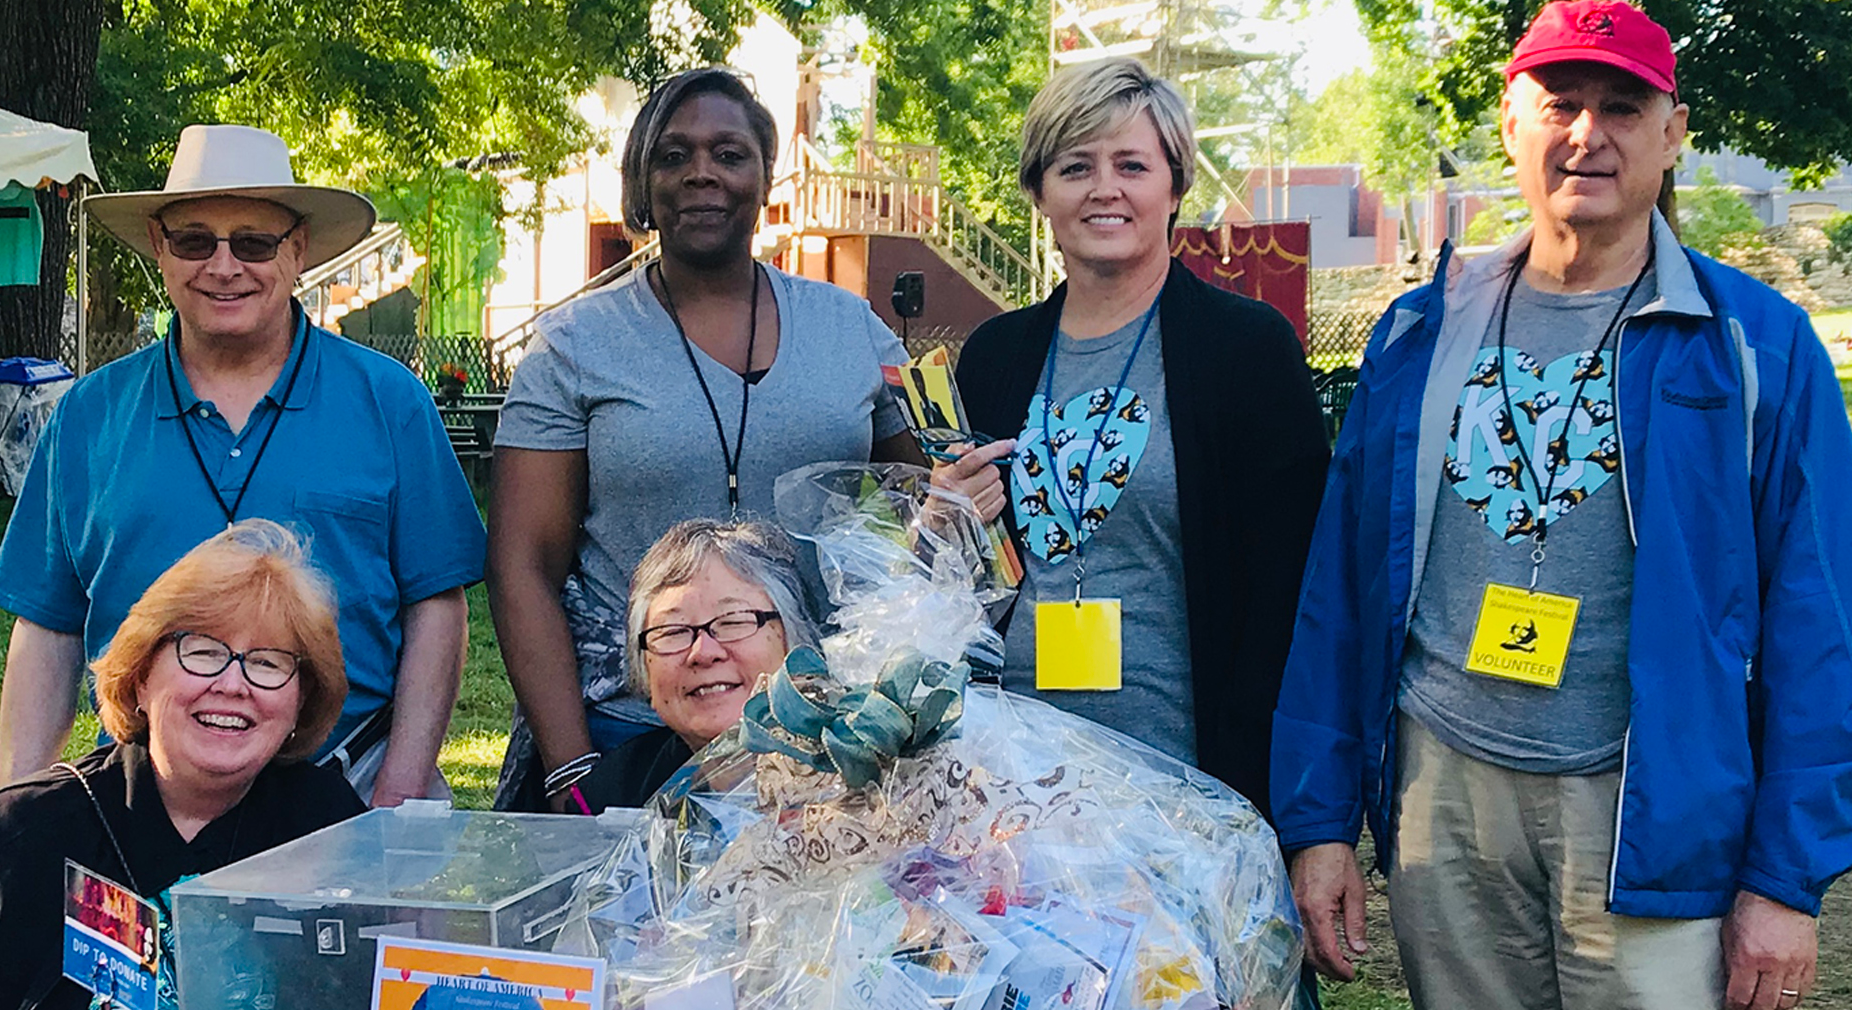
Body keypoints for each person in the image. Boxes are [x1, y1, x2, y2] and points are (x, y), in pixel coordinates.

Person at [1271, 4, 1852, 1010]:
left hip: (1649, 810)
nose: (1585, 133)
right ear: (1512, 124)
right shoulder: (1423, 331)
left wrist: (1787, 877)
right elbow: (1339, 592)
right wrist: (1320, 819)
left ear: (1673, 131)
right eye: (1559, 104)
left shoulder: (1754, 347)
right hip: (1446, 798)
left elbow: (1824, 623)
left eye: (1621, 106)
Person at [488, 68, 1007, 810]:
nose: (702, 172)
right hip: (631, 730)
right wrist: (573, 764)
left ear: (765, 176)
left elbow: (936, 496)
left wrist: (952, 504)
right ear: (642, 180)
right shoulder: (575, 344)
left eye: (729, 154)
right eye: (674, 155)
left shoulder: (850, 328)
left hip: (824, 734)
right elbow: (521, 566)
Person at [0, 124, 485, 806]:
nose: (224, 267)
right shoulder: (88, 415)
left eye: (253, 242)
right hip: (142, 789)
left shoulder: (388, 400)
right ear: (159, 248)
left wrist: (398, 793)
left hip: (352, 778)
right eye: (195, 240)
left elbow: (435, 603)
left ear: (298, 250)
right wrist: (14, 809)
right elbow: (47, 624)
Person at [955, 57, 1329, 810]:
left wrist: (1277, 796)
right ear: (1038, 191)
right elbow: (969, 575)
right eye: (1074, 166)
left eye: (1131, 164)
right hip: (1010, 781)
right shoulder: (995, 357)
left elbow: (1290, 585)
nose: (1105, 189)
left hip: (1184, 779)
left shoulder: (1244, 350)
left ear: (1174, 186)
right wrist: (945, 522)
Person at [0, 520, 367, 1010]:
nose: (233, 684)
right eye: (203, 651)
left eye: (267, 663)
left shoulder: (334, 833)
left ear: (300, 702)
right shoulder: (11, 836)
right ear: (142, 677)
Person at [536, 518, 817, 810]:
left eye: (733, 621)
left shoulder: (855, 780)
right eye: (673, 631)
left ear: (794, 642)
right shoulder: (612, 795)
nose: (703, 652)